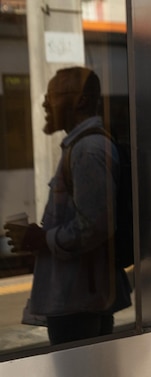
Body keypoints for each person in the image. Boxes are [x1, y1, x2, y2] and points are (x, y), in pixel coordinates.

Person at [3, 67, 131, 345]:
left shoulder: (88, 150)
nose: (45, 103)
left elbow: (96, 225)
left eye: (53, 95)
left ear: (81, 101)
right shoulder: (83, 146)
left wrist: (43, 238)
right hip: (82, 295)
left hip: (78, 300)